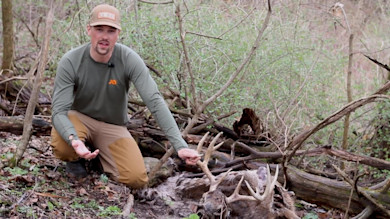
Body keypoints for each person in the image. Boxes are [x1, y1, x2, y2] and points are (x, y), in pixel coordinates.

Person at [50, 4, 200, 188]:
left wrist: (180, 145)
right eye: (99, 29)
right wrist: (73, 139)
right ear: (89, 30)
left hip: (112, 125)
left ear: (118, 33)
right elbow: (58, 111)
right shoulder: (71, 61)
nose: (105, 36)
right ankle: (75, 160)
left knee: (135, 180)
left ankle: (99, 160)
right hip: (79, 119)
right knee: (63, 143)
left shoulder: (128, 58)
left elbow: (154, 100)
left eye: (111, 31)